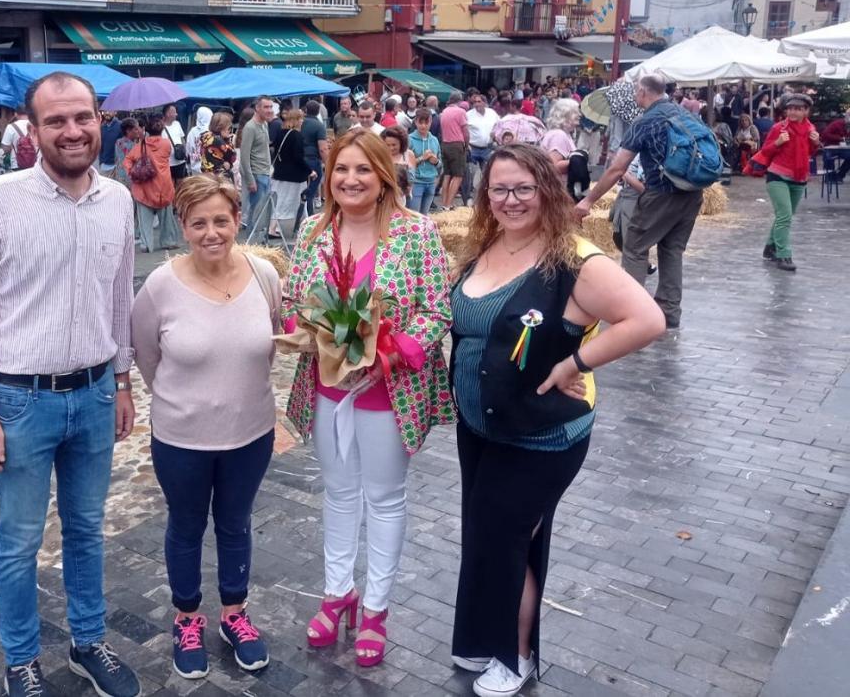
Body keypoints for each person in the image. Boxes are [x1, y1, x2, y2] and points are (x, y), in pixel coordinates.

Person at [0, 71, 141, 697]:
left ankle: (89, 641)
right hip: (19, 400)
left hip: (94, 395)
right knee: (19, 541)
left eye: (82, 117)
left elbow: (120, 297)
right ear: (32, 129)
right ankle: (21, 659)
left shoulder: (118, 200)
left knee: (86, 527)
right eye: (56, 120)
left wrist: (124, 380)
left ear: (99, 121)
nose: (72, 130)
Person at [450, 144, 664, 697]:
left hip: (540, 434)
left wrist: (575, 361)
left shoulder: (575, 261)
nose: (511, 200)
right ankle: (482, 637)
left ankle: (515, 656)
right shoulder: (487, 243)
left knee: (507, 539)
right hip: (480, 426)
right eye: (499, 188)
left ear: (547, 189)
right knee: (486, 535)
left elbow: (646, 319)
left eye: (523, 188)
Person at [285, 130, 453, 668]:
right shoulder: (314, 229)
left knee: (383, 498)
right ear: (329, 175)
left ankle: (376, 609)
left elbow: (436, 311)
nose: (350, 180)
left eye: (363, 170)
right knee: (337, 493)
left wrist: (391, 353)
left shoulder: (416, 231)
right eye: (341, 170)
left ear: (384, 176)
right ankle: (339, 595)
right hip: (329, 390)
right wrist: (305, 330)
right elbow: (293, 299)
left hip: (388, 389)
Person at [131, 176, 282, 680]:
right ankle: (187, 617)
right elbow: (146, 357)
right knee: (187, 524)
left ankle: (234, 614)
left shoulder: (264, 275)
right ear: (183, 225)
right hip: (182, 438)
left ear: (238, 220)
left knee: (236, 524)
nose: (212, 232)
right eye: (199, 223)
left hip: (251, 433)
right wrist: (185, 401)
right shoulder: (159, 285)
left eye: (221, 220)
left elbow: (273, 340)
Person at [574, 74, 704, 329]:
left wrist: (588, 201)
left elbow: (616, 168)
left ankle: (631, 313)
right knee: (672, 250)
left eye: (636, 92)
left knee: (634, 248)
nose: (635, 97)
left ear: (644, 92)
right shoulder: (686, 115)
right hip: (692, 192)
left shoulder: (645, 122)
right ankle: (669, 311)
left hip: (661, 193)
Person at [759, 94, 821, 271]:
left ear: (806, 111)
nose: (793, 112)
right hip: (777, 176)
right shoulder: (779, 128)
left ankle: (769, 247)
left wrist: (816, 143)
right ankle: (783, 255)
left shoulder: (810, 129)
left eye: (798, 109)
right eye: (790, 108)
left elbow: (809, 151)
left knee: (784, 215)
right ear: (786, 110)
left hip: (799, 177)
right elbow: (765, 151)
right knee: (785, 216)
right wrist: (778, 142)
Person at [125, 116, 180, 253]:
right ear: (162, 129)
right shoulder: (166, 144)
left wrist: (133, 173)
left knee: (144, 219)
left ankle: (146, 244)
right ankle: (169, 241)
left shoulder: (140, 146)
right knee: (166, 216)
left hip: (144, 186)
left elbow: (127, 161)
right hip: (164, 185)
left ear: (146, 129)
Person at [271, 107, 313, 237]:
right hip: (294, 176)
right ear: (295, 120)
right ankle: (303, 227)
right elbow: (298, 157)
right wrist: (309, 170)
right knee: (298, 201)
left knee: (279, 200)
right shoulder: (297, 136)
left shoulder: (281, 133)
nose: (302, 121)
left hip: (279, 173)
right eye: (300, 118)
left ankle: (302, 227)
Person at [239, 97, 275, 230]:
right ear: (257, 108)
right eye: (266, 107)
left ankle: (260, 242)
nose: (270, 110)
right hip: (256, 175)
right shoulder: (250, 127)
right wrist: (250, 180)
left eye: (271, 107)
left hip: (265, 173)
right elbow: (244, 156)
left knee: (264, 212)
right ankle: (251, 241)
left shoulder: (265, 124)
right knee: (255, 213)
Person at [439, 91, 469, 209]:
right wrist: (466, 145)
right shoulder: (461, 112)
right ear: (460, 101)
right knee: (458, 176)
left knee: (447, 175)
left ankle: (443, 203)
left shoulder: (443, 112)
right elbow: (465, 131)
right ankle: (448, 204)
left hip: (445, 143)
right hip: (457, 144)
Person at [408, 109, 441, 215]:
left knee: (425, 216)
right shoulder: (410, 140)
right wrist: (422, 158)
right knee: (414, 216)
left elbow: (441, 165)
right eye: (420, 122)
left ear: (430, 122)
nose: (423, 126)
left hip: (431, 182)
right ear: (415, 122)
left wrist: (435, 161)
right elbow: (406, 164)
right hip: (416, 182)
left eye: (426, 123)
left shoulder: (434, 140)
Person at [301, 98, 329, 212]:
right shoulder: (319, 126)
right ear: (318, 111)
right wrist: (328, 163)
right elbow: (322, 148)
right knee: (311, 190)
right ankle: (309, 214)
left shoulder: (300, 123)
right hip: (313, 159)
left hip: (300, 159)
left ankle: (301, 215)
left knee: (303, 188)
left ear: (306, 110)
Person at [539, 99, 579, 176]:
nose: (579, 115)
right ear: (564, 114)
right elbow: (554, 166)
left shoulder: (563, 133)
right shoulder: (559, 135)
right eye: (575, 112)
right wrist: (579, 160)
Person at [381, 125, 414, 204]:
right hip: (383, 197)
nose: (391, 148)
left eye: (394, 145)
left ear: (401, 143)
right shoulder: (380, 156)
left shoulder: (408, 155)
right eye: (387, 145)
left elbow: (412, 178)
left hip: (402, 197)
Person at [200, 111, 237, 178]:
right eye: (229, 128)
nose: (229, 131)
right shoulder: (218, 141)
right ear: (221, 128)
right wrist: (229, 141)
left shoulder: (205, 136)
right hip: (219, 176)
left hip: (207, 173)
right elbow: (233, 157)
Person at [112, 118, 142, 189]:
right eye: (136, 129)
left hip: (119, 176)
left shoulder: (118, 142)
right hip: (131, 179)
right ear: (128, 131)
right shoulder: (134, 146)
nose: (138, 131)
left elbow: (116, 159)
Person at [163, 104, 188, 182]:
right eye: (174, 112)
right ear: (167, 114)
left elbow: (182, 138)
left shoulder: (177, 124)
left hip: (180, 160)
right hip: (168, 163)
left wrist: (185, 152)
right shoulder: (160, 127)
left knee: (181, 183)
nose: (176, 114)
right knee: (170, 184)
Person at [186, 106, 213, 174]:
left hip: (194, 167)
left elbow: (188, 149)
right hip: (208, 168)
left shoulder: (192, 131)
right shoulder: (211, 131)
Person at [99, 109, 123, 178]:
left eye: (110, 110)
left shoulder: (121, 126)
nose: (107, 113)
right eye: (105, 111)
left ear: (115, 112)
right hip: (105, 165)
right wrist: (101, 161)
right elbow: (101, 146)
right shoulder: (102, 127)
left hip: (118, 165)